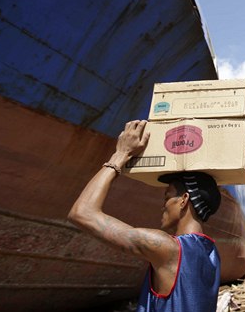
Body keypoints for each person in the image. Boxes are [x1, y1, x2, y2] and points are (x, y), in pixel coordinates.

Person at [68, 120, 222, 312]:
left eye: (166, 198)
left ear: (183, 200)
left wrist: (120, 154)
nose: (162, 206)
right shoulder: (211, 252)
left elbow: (81, 213)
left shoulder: (167, 248)